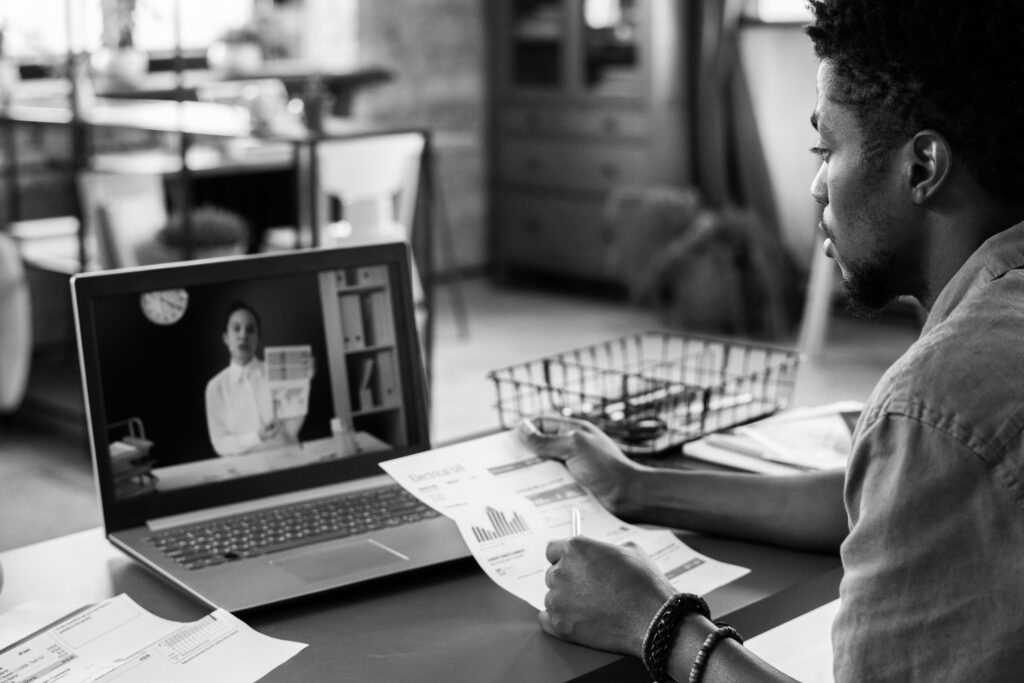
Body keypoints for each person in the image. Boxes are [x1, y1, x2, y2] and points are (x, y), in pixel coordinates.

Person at [519, 1, 1024, 680]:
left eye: (828, 148)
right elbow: (872, 497)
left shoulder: (937, 401)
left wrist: (655, 621)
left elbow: (927, 450)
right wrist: (637, 486)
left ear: (922, 166)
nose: (817, 185)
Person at [205, 301, 304, 456]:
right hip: (244, 472)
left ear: (258, 337)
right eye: (236, 328)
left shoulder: (279, 372)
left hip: (287, 460)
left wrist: (303, 382)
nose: (243, 335)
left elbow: (292, 430)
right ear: (225, 337)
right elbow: (220, 443)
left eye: (250, 329)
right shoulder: (215, 387)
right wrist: (256, 436)